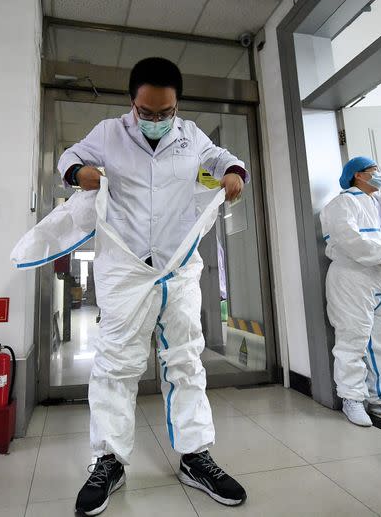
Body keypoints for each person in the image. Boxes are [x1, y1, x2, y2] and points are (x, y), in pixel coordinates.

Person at [58, 57, 248, 516]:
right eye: (149, 112)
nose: (159, 120)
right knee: (116, 362)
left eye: (167, 112)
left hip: (178, 264)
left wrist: (235, 172)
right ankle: (108, 461)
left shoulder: (190, 135)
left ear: (176, 104)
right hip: (124, 267)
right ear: (132, 102)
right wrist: (78, 173)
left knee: (185, 358)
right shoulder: (108, 133)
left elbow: (221, 159)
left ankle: (195, 455)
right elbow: (69, 158)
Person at [320, 156, 381, 427]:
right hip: (352, 278)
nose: (379, 175)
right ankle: (351, 398)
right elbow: (347, 238)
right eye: (373, 171)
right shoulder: (341, 204)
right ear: (358, 175)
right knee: (352, 338)